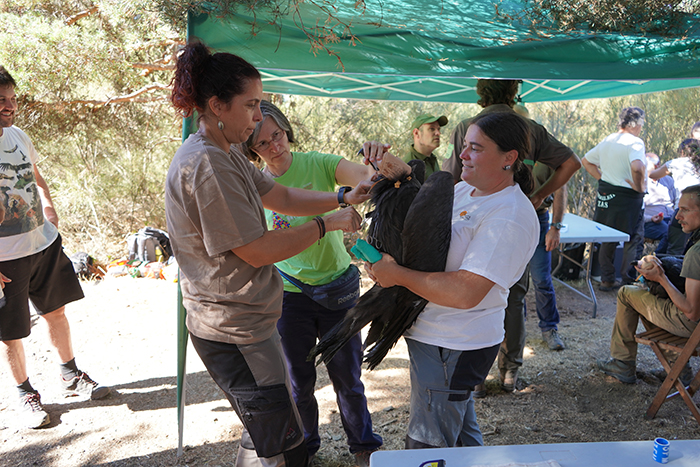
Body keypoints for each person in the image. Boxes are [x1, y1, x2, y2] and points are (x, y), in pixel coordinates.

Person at [364, 111, 539, 449]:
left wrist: (396, 275)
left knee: (429, 443)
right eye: (464, 146)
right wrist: (394, 170)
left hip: (455, 343)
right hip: (436, 337)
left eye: (475, 148)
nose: (462, 155)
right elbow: (422, 226)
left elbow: (465, 292)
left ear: (509, 158)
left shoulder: (509, 215)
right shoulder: (465, 191)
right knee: (458, 434)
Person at [241, 100, 383, 467]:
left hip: (338, 287)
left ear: (287, 129)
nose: (275, 146)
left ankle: (363, 446)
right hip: (290, 293)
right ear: (252, 150)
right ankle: (306, 446)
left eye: (278, 135)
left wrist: (374, 160)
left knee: (347, 378)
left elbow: (362, 178)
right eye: (263, 143)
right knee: (298, 382)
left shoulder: (318, 163)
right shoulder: (256, 185)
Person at [443, 79, 580, 395]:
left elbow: (450, 182)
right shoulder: (530, 128)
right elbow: (571, 162)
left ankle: (472, 376)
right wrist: (539, 196)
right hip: (522, 218)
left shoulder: (468, 127)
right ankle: (509, 371)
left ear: (480, 95)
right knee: (513, 296)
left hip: (475, 220)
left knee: (469, 294)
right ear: (513, 93)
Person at [0, 66, 110, 430]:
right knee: (11, 331)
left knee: (56, 313)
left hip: (42, 245)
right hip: (5, 259)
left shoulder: (18, 136)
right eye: (1, 100)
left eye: (12, 99)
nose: (9, 106)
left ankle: (70, 375)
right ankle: (24, 393)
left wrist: (48, 206)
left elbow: (36, 175)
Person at [597, 185, 700, 385]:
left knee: (627, 293)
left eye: (685, 210)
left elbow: (691, 311)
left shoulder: (696, 253)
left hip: (692, 326)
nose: (678, 216)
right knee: (646, 296)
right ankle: (679, 367)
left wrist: (661, 278)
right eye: (678, 209)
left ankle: (623, 363)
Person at [582, 106, 647, 291]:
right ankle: (628, 281)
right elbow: (637, 166)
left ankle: (606, 279)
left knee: (608, 236)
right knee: (632, 239)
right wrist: (640, 186)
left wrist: (602, 177)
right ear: (636, 123)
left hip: (606, 195)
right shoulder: (635, 142)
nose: (641, 128)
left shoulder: (608, 140)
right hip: (628, 196)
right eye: (642, 124)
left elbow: (586, 161)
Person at [649, 138, 700, 255]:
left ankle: (664, 266)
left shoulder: (676, 163)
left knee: (674, 249)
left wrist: (650, 166)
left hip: (684, 208)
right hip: (696, 208)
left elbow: (653, 175)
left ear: (682, 151)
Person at [638, 152, 676, 255]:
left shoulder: (668, 180)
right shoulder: (640, 183)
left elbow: (675, 201)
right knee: (670, 233)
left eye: (658, 164)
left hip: (671, 218)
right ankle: (658, 260)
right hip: (650, 222)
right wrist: (651, 218)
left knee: (685, 231)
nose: (657, 166)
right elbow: (636, 212)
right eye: (653, 164)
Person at [403, 114, 448, 179]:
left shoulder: (431, 159)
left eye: (438, 129)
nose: (438, 133)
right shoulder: (408, 165)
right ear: (416, 133)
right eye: (432, 129)